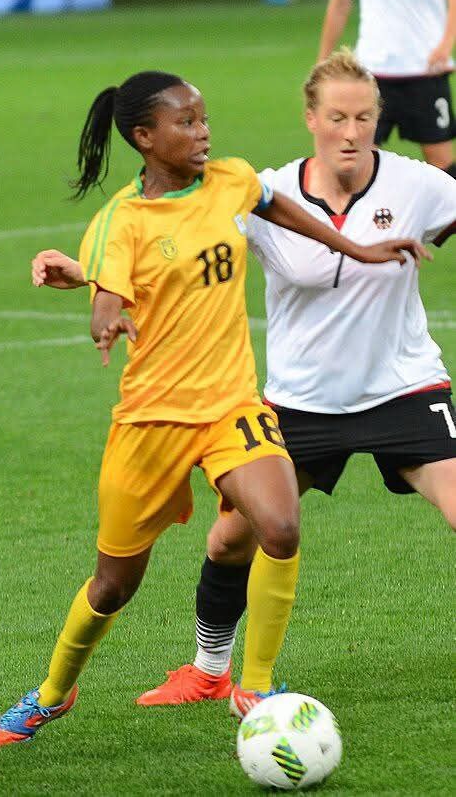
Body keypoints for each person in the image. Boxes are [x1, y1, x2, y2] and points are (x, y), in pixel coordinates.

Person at [0, 70, 420, 746]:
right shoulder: (122, 221)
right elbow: (106, 295)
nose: (203, 131)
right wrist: (105, 319)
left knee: (280, 525)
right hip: (151, 421)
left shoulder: (232, 180)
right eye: (185, 123)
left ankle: (256, 687)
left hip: (230, 405)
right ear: (144, 137)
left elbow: (278, 207)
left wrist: (357, 248)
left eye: (204, 118)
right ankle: (51, 693)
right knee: (111, 586)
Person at [127, 50, 454, 719]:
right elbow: (164, 242)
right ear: (311, 118)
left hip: (404, 387)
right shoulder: (263, 192)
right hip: (300, 402)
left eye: (363, 118)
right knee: (229, 540)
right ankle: (209, 670)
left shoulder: (419, 185)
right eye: (336, 117)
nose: (350, 132)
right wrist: (87, 274)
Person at [318, 0, 456, 175]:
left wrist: (446, 44)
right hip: (370, 74)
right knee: (360, 158)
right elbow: (340, 2)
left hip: (425, 70)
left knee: (441, 162)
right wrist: (323, 61)